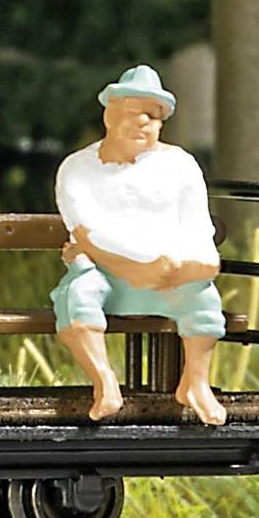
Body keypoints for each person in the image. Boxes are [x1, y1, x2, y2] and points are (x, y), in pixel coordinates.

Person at [50, 65, 230, 426]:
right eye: (132, 113)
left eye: (152, 115)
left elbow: (197, 225)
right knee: (78, 296)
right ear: (109, 116)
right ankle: (105, 383)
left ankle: (195, 384)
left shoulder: (180, 165)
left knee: (204, 300)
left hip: (168, 278)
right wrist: (141, 266)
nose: (142, 123)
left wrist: (198, 263)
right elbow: (88, 233)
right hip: (105, 273)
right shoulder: (78, 168)